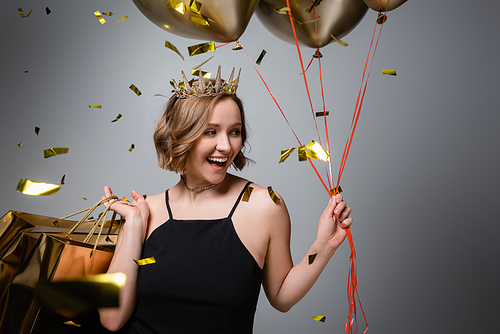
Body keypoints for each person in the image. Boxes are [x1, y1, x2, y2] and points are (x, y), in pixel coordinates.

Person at [98, 67, 352, 333]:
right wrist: (134, 227)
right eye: (210, 131)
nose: (226, 146)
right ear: (183, 135)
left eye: (234, 131)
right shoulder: (145, 210)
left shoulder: (264, 205)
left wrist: (323, 246)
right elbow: (111, 320)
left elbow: (281, 297)